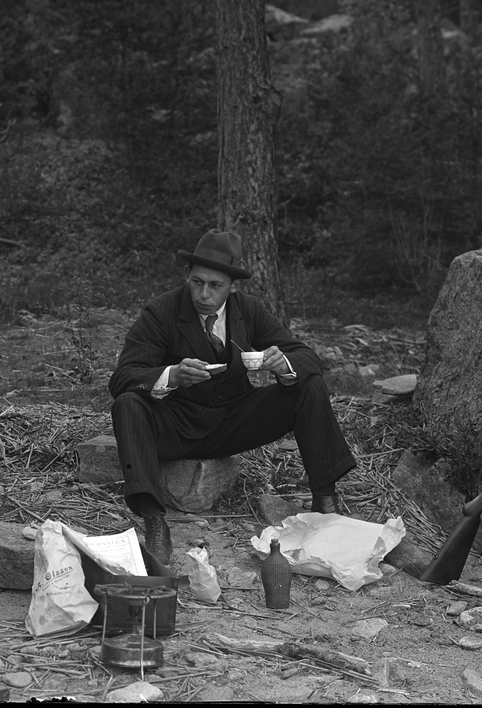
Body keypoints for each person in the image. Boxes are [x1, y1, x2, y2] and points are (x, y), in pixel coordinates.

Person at [108, 229, 358, 565]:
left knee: (307, 384)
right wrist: (172, 375)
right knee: (127, 403)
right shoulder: (161, 312)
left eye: (215, 286)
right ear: (186, 275)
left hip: (235, 421)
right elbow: (123, 376)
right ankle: (154, 522)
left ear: (233, 286)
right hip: (177, 424)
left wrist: (280, 362)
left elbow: (306, 357)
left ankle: (325, 500)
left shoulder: (249, 310)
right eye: (197, 283)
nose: (204, 294)